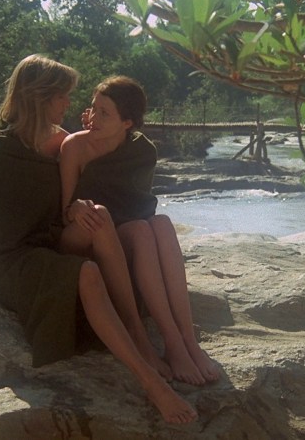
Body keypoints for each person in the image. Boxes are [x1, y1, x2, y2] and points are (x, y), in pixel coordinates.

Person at [0, 54, 197, 424]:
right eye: (62, 96)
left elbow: (94, 162)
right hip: (6, 258)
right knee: (86, 272)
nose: (69, 103)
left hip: (49, 244)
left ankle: (141, 335)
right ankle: (151, 382)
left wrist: (77, 204)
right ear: (39, 97)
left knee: (99, 217)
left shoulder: (60, 140)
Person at [58, 75, 220, 386]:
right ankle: (156, 340)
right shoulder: (75, 146)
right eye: (93, 108)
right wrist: (75, 208)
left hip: (126, 230)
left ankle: (185, 342)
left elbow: (139, 206)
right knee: (139, 229)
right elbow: (63, 213)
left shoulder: (142, 150)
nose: (93, 118)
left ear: (127, 123)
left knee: (161, 224)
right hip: (87, 234)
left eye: (105, 113)